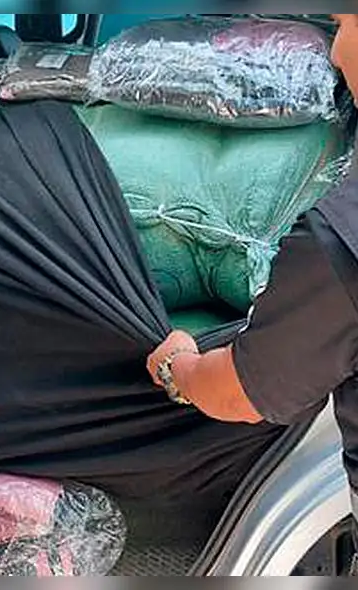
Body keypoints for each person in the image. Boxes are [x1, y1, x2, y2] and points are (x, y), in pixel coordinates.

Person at [146, 13, 358, 572]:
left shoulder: (341, 241)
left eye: (347, 25)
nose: (335, 53)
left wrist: (179, 367)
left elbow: (239, 393)